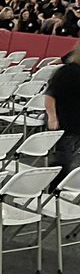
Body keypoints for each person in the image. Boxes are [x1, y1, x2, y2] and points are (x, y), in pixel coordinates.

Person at [45, 46, 80, 189]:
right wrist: (52, 117)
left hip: (77, 122)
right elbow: (50, 95)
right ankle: (53, 189)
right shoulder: (67, 72)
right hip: (65, 122)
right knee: (63, 159)